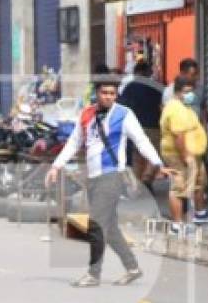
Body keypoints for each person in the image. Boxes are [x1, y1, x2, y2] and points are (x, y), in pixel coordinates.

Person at [46, 74, 168, 288]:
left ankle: (94, 274)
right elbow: (74, 143)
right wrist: (56, 166)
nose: (109, 97)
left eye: (112, 93)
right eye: (104, 93)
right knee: (109, 228)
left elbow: (141, 141)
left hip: (112, 177)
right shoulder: (86, 114)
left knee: (96, 224)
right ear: (97, 93)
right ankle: (132, 268)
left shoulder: (124, 114)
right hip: (93, 178)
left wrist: (158, 163)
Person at [161, 77, 208, 228]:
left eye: (192, 91)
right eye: (188, 92)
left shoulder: (185, 107)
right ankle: (177, 224)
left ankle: (200, 214)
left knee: (199, 183)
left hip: (192, 153)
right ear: (178, 92)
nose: (191, 95)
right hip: (179, 154)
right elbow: (179, 136)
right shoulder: (175, 109)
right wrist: (186, 157)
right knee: (179, 188)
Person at [117, 59, 164, 190]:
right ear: (147, 72)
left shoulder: (129, 87)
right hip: (153, 125)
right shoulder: (155, 87)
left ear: (137, 72)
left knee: (137, 157)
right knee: (154, 154)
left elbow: (122, 106)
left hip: (135, 127)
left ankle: (137, 186)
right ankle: (147, 179)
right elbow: (162, 105)